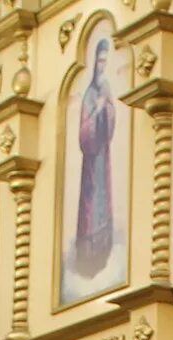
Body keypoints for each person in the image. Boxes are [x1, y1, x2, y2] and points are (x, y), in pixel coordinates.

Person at [73, 35, 119, 280]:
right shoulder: (90, 95)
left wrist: (107, 110)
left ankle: (103, 247)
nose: (102, 66)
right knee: (91, 203)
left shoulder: (106, 89)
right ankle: (88, 253)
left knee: (103, 202)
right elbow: (83, 135)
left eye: (105, 62)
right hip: (92, 162)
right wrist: (98, 110)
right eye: (99, 62)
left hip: (104, 158)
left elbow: (111, 121)